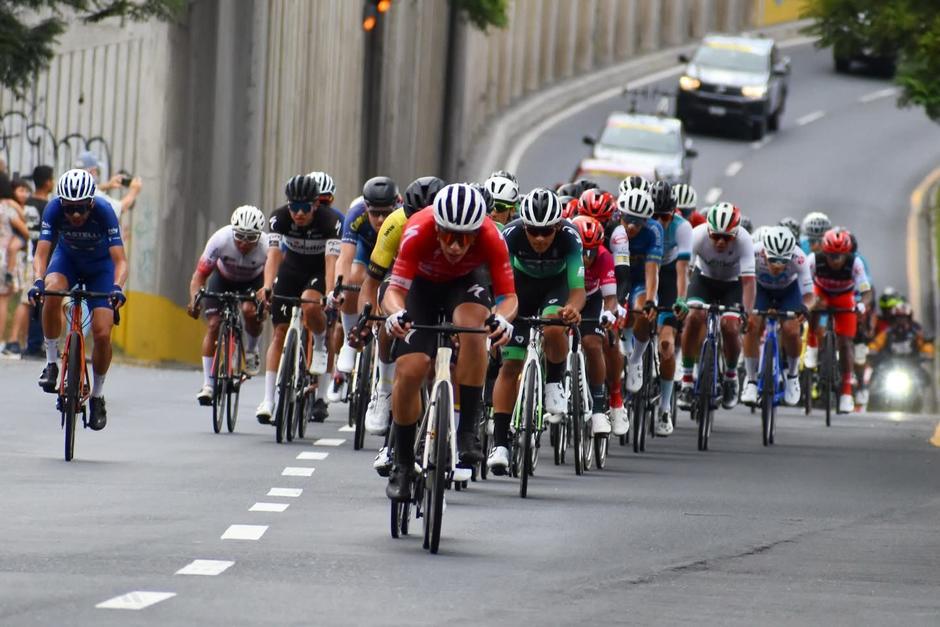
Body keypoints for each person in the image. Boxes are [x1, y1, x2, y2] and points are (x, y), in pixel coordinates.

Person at [383, 183, 517, 500]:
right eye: (448, 236)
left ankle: (467, 430)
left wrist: (502, 318)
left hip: (465, 284)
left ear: (477, 231)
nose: (456, 246)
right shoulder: (417, 229)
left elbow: (508, 297)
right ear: (437, 227)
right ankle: (403, 463)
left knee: (474, 328)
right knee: (412, 368)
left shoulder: (492, 236)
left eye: (465, 238)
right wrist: (395, 313)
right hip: (421, 287)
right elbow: (394, 290)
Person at [487, 188, 584, 474]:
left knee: (554, 326)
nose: (540, 238)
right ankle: (500, 444)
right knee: (510, 365)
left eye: (546, 231)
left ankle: (554, 382)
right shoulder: (511, 235)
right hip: (519, 288)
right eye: (533, 231)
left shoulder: (570, 236)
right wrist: (499, 315)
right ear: (524, 226)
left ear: (557, 226)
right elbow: (500, 286)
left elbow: (577, 290)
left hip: (555, 288)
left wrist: (573, 308)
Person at [29, 169, 127, 431]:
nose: (74, 215)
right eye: (69, 208)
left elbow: (120, 261)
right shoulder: (52, 209)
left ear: (91, 203)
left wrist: (117, 287)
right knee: (51, 291)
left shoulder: (105, 212)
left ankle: (97, 396)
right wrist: (37, 281)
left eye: (81, 208)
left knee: (102, 332)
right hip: (68, 261)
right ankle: (51, 363)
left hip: (101, 269)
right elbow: (41, 253)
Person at [358, 176, 445, 434]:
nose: (421, 224)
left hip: (444, 283)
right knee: (388, 321)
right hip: (403, 279)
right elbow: (372, 281)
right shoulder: (394, 223)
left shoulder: (457, 225)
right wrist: (367, 317)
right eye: (414, 217)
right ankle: (384, 389)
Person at [256, 174, 342, 423]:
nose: (299, 214)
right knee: (279, 332)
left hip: (318, 271)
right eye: (294, 207)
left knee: (310, 304)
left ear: (315, 205)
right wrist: (267, 286)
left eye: (305, 207)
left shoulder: (330, 221)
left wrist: (330, 293)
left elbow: (331, 261)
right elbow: (273, 255)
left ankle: (320, 342)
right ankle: (269, 400)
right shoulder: (279, 217)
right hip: (291, 269)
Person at [678, 202, 756, 410]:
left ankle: (731, 376)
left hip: (732, 285)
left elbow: (749, 282)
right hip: (703, 280)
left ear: (736, 233)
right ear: (708, 230)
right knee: (693, 317)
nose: (721, 242)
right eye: (716, 236)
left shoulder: (745, 241)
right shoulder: (697, 235)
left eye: (727, 238)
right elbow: (685, 272)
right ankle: (687, 380)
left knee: (730, 327)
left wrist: (747, 313)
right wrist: (682, 300)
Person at [188, 206, 268, 404]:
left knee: (250, 311)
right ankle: (208, 384)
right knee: (213, 325)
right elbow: (199, 276)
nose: (244, 243)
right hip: (223, 279)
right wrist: (194, 300)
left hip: (253, 282)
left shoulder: (266, 246)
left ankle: (252, 350)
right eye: (239, 236)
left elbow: (273, 279)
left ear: (259, 236)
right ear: (233, 231)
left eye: (251, 238)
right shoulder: (220, 239)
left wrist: (266, 302)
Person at [332, 177, 399, 394]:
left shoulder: (402, 215)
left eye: (385, 213)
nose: (380, 219)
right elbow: (344, 258)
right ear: (366, 207)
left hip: (393, 255)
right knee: (353, 279)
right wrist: (339, 287)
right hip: (366, 251)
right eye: (375, 213)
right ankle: (350, 340)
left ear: (396, 205)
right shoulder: (356, 214)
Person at [740, 226, 815, 406]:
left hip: (788, 292)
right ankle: (751, 381)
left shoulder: (799, 258)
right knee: (752, 324)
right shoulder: (753, 252)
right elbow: (741, 283)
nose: (777, 266)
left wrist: (805, 308)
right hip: (760, 290)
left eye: (783, 261)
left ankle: (793, 376)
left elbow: (810, 295)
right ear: (764, 253)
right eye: (773, 260)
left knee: (791, 329)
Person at [805, 228, 873, 414]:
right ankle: (812, 345)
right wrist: (809, 302)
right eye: (831, 256)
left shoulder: (855, 263)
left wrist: (862, 305)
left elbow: (866, 291)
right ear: (824, 252)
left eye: (840, 256)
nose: (835, 260)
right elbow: (804, 286)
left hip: (844, 297)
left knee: (846, 342)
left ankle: (846, 393)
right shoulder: (814, 259)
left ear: (847, 254)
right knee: (813, 309)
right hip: (820, 293)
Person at [610, 187, 664, 402]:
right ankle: (621, 349)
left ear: (646, 221)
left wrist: (650, 300)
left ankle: (635, 360)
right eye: (628, 219)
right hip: (615, 278)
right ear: (619, 214)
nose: (632, 226)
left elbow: (652, 269)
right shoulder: (611, 224)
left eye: (638, 222)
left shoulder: (654, 230)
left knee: (642, 313)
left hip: (640, 280)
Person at [648, 180, 692, 435]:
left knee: (666, 345)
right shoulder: (641, 226)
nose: (660, 221)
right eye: (655, 215)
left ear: (674, 213)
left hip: (669, 277)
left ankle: (664, 407)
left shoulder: (682, 227)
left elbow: (682, 270)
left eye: (665, 216)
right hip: (645, 272)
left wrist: (681, 299)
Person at [570, 216, 621, 437]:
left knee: (592, 344)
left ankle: (599, 408)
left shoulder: (605, 257)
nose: (586, 258)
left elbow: (610, 298)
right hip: (567, 296)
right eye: (583, 251)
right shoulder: (565, 251)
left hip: (592, 300)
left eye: (591, 252)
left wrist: (608, 313)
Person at [73, 151, 142, 218]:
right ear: (93, 171)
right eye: (97, 171)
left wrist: (108, 185)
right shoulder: (95, 196)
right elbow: (120, 208)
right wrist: (134, 190)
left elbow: (90, 189)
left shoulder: (70, 189)